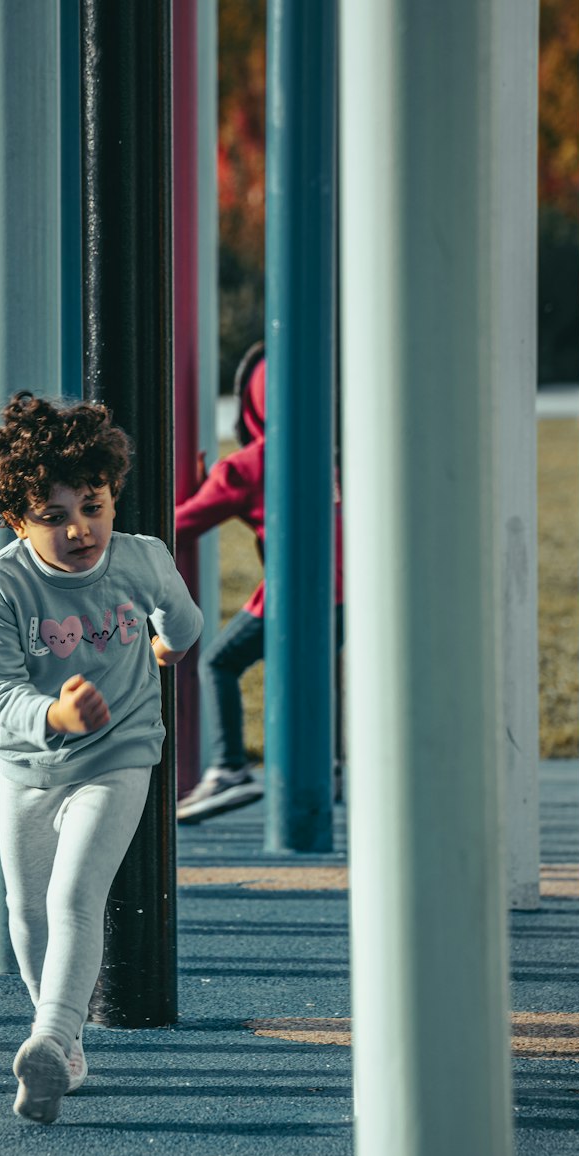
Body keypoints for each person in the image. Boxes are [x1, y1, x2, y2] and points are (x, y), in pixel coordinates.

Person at [0, 392, 202, 1124]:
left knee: (75, 897)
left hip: (120, 752)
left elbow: (185, 623)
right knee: (25, 910)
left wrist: (165, 643)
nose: (80, 529)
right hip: (30, 767)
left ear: (111, 496)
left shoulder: (143, 560)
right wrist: (54, 715)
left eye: (93, 506)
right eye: (54, 514)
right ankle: (62, 1050)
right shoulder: (3, 586)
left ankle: (50, 1036)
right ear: (15, 518)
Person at [175, 343, 343, 822]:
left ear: (251, 403)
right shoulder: (326, 453)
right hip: (348, 592)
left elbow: (180, 524)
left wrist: (204, 485)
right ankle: (324, 766)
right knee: (317, 673)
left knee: (218, 663)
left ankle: (229, 770)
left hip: (295, 591)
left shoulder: (246, 466)